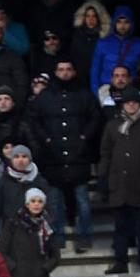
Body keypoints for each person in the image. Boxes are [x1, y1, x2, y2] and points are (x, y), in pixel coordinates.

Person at [25, 58, 102, 253]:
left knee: (83, 203)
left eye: (69, 69)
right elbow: (34, 121)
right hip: (53, 158)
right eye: (61, 69)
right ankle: (57, 237)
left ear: (74, 72)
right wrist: (47, 140)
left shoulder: (84, 95)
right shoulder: (44, 97)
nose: (65, 73)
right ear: (55, 72)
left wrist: (85, 137)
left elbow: (96, 117)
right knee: (55, 203)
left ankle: (84, 237)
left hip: (79, 157)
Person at [99, 88, 140, 274]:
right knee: (120, 228)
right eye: (128, 102)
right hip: (119, 184)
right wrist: (104, 178)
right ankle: (120, 261)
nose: (131, 105)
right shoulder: (113, 126)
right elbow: (106, 154)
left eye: (135, 102)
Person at [0, 189, 60, 277]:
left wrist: (44, 268)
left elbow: (55, 255)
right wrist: (13, 268)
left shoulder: (48, 226)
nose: (36, 204)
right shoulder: (13, 223)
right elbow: (2, 250)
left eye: (40, 201)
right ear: (27, 204)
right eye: (33, 201)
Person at [90, 6, 140, 93]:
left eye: (126, 22)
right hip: (107, 88)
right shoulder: (103, 43)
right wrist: (97, 92)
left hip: (132, 90)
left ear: (132, 23)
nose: (122, 26)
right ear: (114, 23)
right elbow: (95, 70)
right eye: (119, 22)